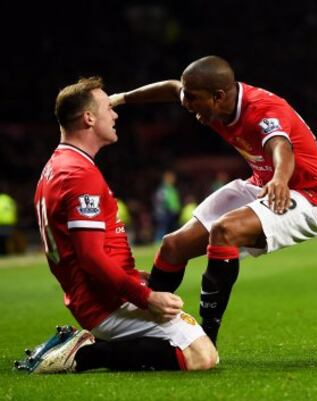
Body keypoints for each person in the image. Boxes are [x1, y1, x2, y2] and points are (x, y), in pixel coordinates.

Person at [110, 55, 317, 345]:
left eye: (193, 99)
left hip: (308, 195)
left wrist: (280, 178)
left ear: (219, 97)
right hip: (262, 184)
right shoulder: (207, 95)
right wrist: (119, 99)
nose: (186, 104)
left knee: (224, 231)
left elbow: (281, 146)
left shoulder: (263, 110)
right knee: (173, 246)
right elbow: (171, 87)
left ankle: (206, 338)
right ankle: (144, 327)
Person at [20, 76, 217, 374]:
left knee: (194, 349)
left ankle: (89, 348)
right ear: (88, 118)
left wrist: (131, 275)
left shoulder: (57, 166)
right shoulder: (78, 173)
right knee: (202, 357)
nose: (115, 114)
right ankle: (83, 354)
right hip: (105, 301)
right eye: (107, 107)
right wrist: (146, 297)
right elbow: (90, 257)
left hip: (95, 295)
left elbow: (77, 249)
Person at [153, 170, 181, 242]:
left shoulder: (172, 189)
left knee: (170, 229)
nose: (173, 180)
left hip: (171, 213)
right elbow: (161, 201)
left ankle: (170, 242)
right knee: (162, 228)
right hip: (164, 212)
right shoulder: (164, 189)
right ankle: (158, 242)